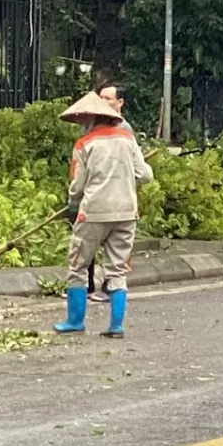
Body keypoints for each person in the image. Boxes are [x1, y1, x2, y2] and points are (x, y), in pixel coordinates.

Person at [56, 91, 153, 338]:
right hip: (126, 213)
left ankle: (75, 321)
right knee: (118, 270)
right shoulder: (128, 139)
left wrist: (72, 204)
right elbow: (145, 176)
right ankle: (116, 326)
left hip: (94, 213)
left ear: (90, 118)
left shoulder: (84, 144)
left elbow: (77, 185)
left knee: (78, 265)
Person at [87, 85, 134, 302]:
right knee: (87, 247)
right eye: (101, 97)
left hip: (114, 197)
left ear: (120, 102)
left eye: (108, 98)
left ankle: (107, 288)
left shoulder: (124, 129)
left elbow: (135, 169)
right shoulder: (91, 126)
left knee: (114, 253)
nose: (103, 101)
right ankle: (89, 286)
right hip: (95, 195)